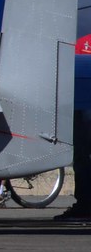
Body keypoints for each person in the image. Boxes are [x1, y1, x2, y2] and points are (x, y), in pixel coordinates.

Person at [55, 56, 91, 222]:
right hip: (79, 93)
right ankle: (84, 204)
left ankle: (85, 205)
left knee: (82, 155)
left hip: (81, 96)